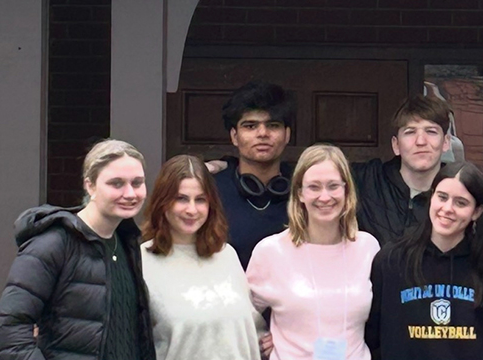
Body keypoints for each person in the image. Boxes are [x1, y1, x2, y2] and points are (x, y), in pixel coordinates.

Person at [0, 139, 155, 360]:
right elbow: (11, 327)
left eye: (137, 183)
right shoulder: (54, 243)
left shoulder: (127, 242)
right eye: (116, 183)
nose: (129, 193)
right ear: (90, 186)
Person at [365, 161, 483, 360]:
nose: (447, 208)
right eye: (442, 197)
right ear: (431, 197)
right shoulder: (391, 260)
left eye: (461, 203)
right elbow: (372, 336)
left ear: (477, 212)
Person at [247, 144, 380, 360]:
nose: (325, 197)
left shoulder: (368, 248)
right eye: (314, 187)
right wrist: (259, 337)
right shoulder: (270, 252)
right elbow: (240, 315)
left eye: (333, 186)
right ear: (300, 194)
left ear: (347, 190)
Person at [140, 155, 266, 360]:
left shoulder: (226, 255)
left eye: (200, 200)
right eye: (181, 198)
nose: (192, 209)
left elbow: (252, 329)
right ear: (162, 203)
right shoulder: (142, 262)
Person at [212, 80, 296, 270]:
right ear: (234, 136)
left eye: (273, 125)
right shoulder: (210, 191)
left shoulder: (306, 189)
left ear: (287, 135)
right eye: (250, 126)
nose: (262, 133)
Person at [352, 94, 453, 246]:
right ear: (396, 145)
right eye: (410, 132)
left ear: (446, 142)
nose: (420, 141)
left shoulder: (459, 192)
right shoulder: (366, 180)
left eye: (431, 131)